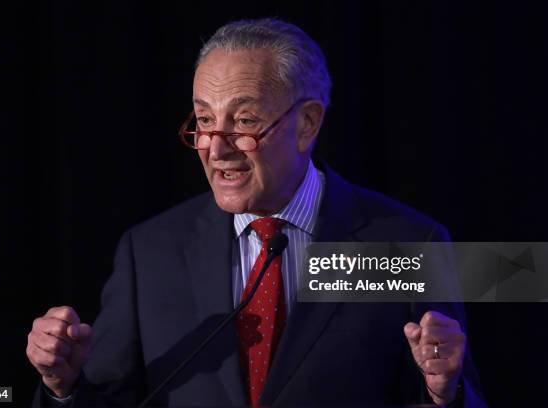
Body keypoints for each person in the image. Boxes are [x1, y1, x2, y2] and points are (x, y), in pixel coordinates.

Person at [27, 18, 486, 407]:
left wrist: (445, 391)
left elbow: (458, 390)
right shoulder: (149, 252)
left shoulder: (408, 242)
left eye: (244, 122)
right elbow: (109, 398)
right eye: (204, 120)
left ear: (307, 124)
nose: (216, 148)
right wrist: (62, 387)